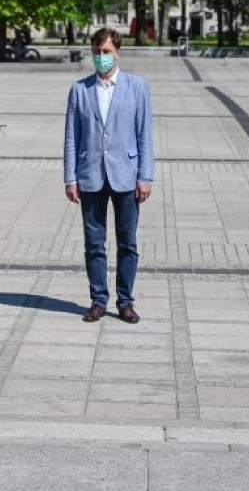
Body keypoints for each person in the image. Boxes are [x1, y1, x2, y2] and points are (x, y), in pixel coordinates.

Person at [63, 27, 153, 324]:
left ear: (118, 53)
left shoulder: (137, 87)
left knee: (127, 242)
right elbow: (71, 137)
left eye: (106, 52)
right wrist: (70, 177)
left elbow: (144, 135)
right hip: (90, 176)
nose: (101, 57)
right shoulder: (80, 89)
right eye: (97, 52)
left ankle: (125, 301)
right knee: (94, 242)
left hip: (126, 176)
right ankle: (98, 300)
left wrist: (145, 176)